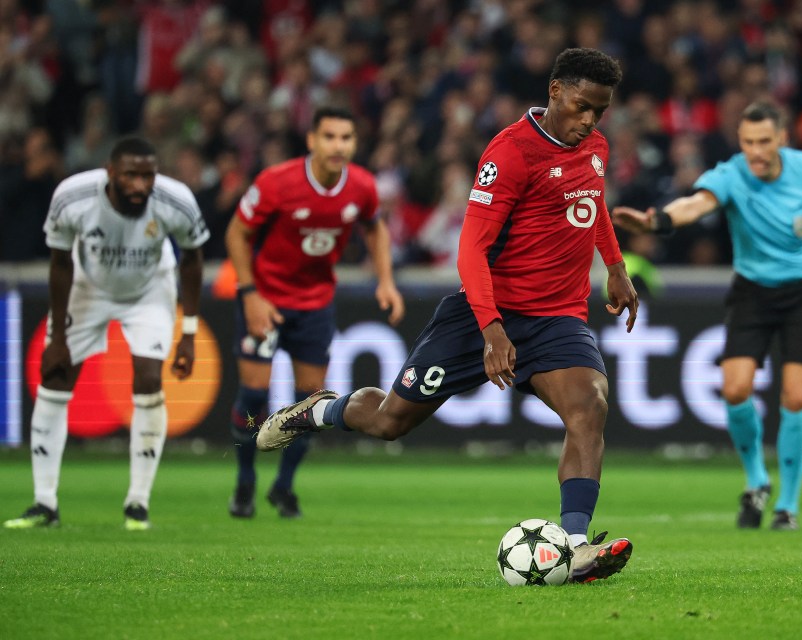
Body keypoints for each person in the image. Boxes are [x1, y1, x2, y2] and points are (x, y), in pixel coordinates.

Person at [254, 48, 639, 583]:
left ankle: (575, 548)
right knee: (391, 421)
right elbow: (470, 252)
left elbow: (590, 202)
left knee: (589, 407)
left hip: (557, 318)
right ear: (554, 92)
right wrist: (492, 330)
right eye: (580, 107)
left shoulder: (593, 145)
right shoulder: (509, 154)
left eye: (599, 111)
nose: (589, 121)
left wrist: (615, 265)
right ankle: (318, 410)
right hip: (484, 314)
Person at [613, 101, 802, 531]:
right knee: (734, 390)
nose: (756, 151)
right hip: (752, 292)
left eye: (764, 141)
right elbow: (696, 204)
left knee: (796, 396)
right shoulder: (731, 174)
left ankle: (787, 505)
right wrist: (656, 222)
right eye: (748, 142)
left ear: (782, 139)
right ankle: (756, 481)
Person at [4, 137, 208, 531]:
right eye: (130, 175)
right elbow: (60, 262)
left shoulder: (175, 200)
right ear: (110, 172)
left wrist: (188, 331)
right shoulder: (73, 196)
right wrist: (58, 336)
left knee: (149, 378)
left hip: (150, 289)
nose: (139, 185)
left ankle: (138, 503)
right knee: (56, 377)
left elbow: (193, 259)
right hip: (87, 287)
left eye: (147, 176)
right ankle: (44, 503)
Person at [224, 106, 404, 519]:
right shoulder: (277, 182)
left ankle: (283, 487)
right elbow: (237, 231)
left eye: (346, 138)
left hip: (315, 304)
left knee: (311, 404)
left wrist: (386, 281)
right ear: (312, 141)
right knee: (253, 394)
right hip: (265, 300)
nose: (338, 145)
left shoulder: (361, 186)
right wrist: (249, 293)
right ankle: (245, 480)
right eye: (329, 137)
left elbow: (374, 229)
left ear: (354, 143)